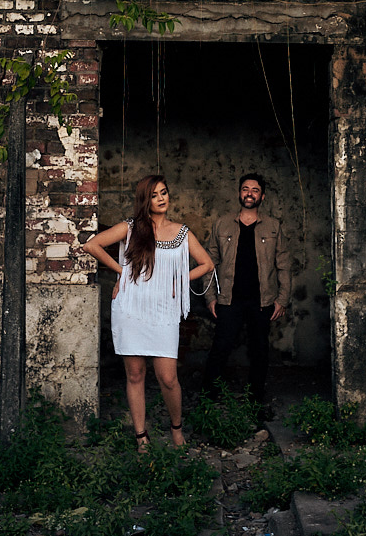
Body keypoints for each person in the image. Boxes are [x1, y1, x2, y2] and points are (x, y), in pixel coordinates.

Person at [83, 175, 214, 449]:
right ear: (145, 200)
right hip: (131, 307)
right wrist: (123, 272)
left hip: (163, 310)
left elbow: (207, 264)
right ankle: (141, 437)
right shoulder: (130, 228)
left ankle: (176, 429)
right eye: (155, 195)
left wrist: (178, 280)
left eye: (164, 192)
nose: (161, 198)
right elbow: (91, 245)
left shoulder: (182, 232)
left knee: (168, 377)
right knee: (135, 375)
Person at [203, 173, 291, 403]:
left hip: (262, 301)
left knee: (259, 351)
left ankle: (256, 401)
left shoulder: (273, 226)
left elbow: (283, 265)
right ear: (239, 193)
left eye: (254, 190)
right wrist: (210, 297)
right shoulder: (221, 224)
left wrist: (282, 299)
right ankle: (209, 400)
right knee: (220, 348)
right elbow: (209, 263)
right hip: (229, 299)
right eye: (245, 189)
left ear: (262, 196)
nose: (249, 193)